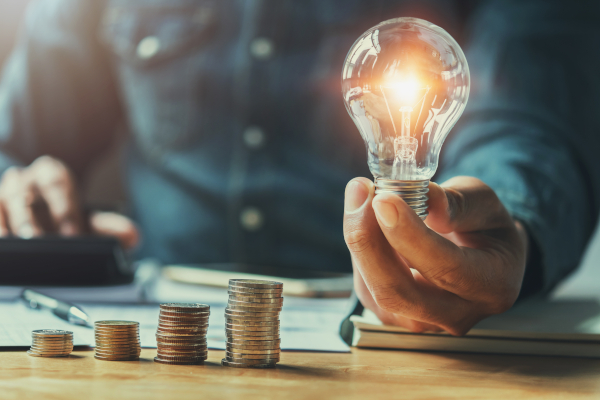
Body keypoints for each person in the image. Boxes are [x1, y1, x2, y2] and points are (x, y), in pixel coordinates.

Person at [0, 0, 599, 335]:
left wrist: (507, 221)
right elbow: (16, 141)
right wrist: (16, 188)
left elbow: (530, 116)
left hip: (381, 329)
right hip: (163, 322)